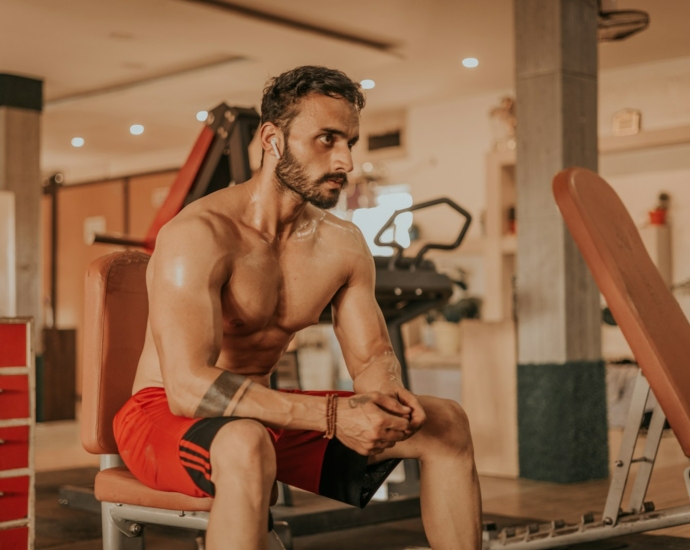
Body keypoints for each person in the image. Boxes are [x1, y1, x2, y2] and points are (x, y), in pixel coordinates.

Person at [113, 65, 481, 550]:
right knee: (246, 444)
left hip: (264, 416)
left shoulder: (342, 244)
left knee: (445, 423)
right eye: (326, 139)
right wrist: (333, 418)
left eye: (350, 141)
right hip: (165, 416)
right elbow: (186, 388)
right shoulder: (198, 235)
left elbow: (371, 359)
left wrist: (385, 402)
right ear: (273, 139)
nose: (345, 160)